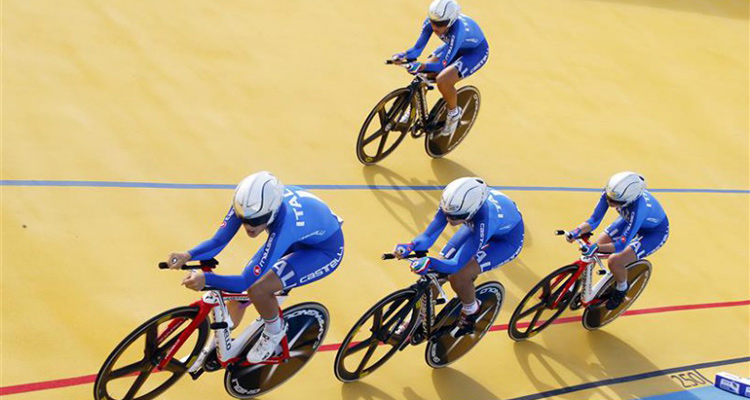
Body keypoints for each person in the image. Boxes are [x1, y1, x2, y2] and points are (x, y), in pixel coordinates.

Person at [167, 171, 344, 363]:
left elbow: (246, 281)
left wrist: (207, 279)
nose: (249, 226)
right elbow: (218, 241)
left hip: (322, 251)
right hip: (299, 235)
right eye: (243, 219)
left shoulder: (285, 223)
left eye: (256, 221)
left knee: (258, 290)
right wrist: (188, 254)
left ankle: (274, 332)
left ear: (272, 212)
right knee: (238, 300)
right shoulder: (247, 206)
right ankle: (219, 347)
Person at [393, 177, 523, 336]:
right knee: (435, 274)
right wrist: (410, 246)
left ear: (473, 211)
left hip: (506, 240)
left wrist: (429, 261)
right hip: (475, 226)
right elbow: (428, 235)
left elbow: (455, 265)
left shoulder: (485, 219)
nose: (449, 220)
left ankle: (471, 310)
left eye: (456, 217)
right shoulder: (453, 205)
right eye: (447, 214)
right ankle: (420, 317)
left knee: (459, 276)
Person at [565, 172, 669, 310]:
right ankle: (572, 288)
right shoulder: (612, 193)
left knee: (615, 261)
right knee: (595, 249)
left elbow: (620, 245)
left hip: (653, 233)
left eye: (616, 203)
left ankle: (621, 289)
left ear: (630, 200)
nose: (610, 203)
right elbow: (594, 220)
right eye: (608, 199)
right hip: (628, 221)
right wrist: (577, 231)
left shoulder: (639, 208)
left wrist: (597, 247)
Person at [391, 0, 489, 137]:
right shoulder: (433, 21)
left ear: (451, 21)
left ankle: (454, 113)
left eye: (440, 24)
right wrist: (403, 55)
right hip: (454, 46)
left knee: (443, 79)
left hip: (474, 53)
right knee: (423, 75)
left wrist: (421, 66)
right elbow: (417, 49)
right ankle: (413, 110)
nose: (435, 27)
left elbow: (441, 66)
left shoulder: (458, 31)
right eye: (433, 22)